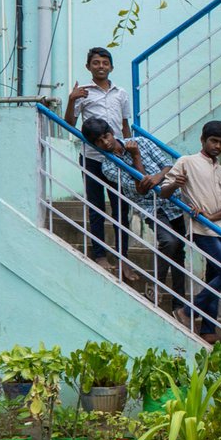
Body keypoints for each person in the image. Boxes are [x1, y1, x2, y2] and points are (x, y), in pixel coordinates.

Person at [80, 117, 186, 314]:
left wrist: (157, 177)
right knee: (169, 242)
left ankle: (179, 306)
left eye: (106, 136)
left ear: (112, 132)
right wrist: (136, 158)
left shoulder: (142, 142)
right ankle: (156, 285)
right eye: (99, 142)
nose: (105, 143)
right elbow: (140, 190)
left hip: (174, 201)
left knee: (179, 253)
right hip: (151, 208)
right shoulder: (108, 167)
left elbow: (168, 165)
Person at [158, 120, 221, 342]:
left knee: (215, 276)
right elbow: (164, 192)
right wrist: (176, 184)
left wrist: (212, 217)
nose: (218, 146)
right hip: (200, 230)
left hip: (220, 230)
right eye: (213, 141)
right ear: (202, 140)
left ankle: (208, 330)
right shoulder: (187, 162)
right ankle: (188, 311)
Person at [65, 47, 133, 278]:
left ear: (111, 67)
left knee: (121, 209)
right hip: (92, 158)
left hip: (117, 159)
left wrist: (128, 150)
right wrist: (71, 99)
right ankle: (100, 254)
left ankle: (123, 257)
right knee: (96, 207)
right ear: (88, 67)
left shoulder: (121, 93)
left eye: (105, 62)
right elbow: (69, 124)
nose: (101, 66)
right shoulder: (83, 93)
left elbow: (125, 126)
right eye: (96, 62)